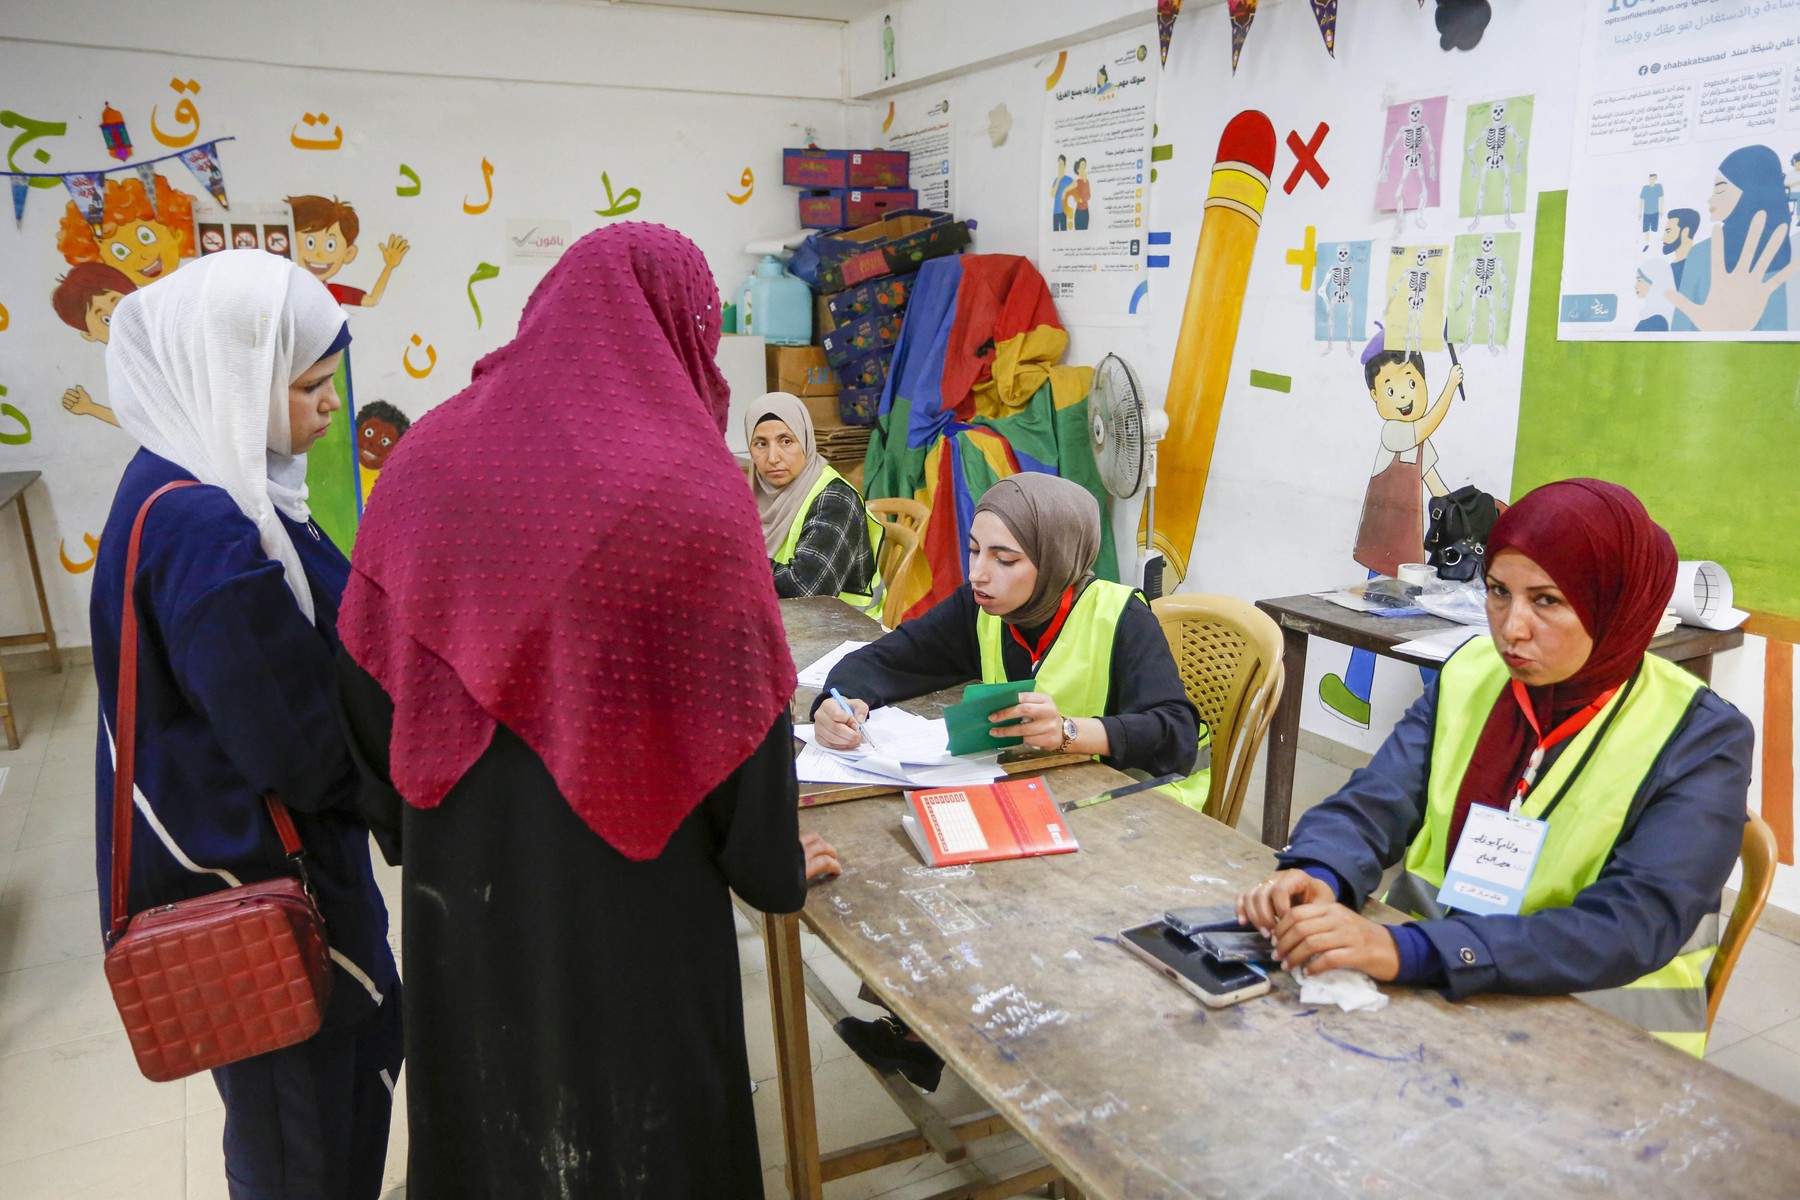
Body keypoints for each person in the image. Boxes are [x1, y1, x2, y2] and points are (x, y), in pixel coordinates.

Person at [334, 222, 840, 1198]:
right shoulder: (695, 490)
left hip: (464, 885)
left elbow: (363, 666)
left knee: (490, 1109)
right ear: (677, 333)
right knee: (649, 1126)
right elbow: (746, 707)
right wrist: (771, 866)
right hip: (643, 904)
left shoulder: (425, 461)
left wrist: (414, 827)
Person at [1238, 479, 1750, 1058]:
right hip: (1433, 994)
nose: (1511, 628)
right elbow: (1374, 802)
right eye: (1499, 591)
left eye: (1548, 600)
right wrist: (1319, 871)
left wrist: (1409, 951)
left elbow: (1633, 924)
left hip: (1597, 1034)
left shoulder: (1701, 737)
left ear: (1617, 603)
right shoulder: (1472, 671)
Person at [91, 249, 401, 1198]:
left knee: (311, 1112)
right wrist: (413, 792)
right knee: (302, 1136)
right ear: (232, 377)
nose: (327, 408)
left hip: (258, 866)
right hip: (268, 881)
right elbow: (297, 746)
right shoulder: (208, 532)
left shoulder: (197, 484)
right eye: (306, 385)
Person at [821, 472, 1205, 1087]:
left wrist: (1074, 731)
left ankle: (960, 1031)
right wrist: (838, 700)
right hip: (1035, 794)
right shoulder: (985, 609)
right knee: (925, 844)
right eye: (974, 550)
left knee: (967, 865)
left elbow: (1174, 732)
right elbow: (888, 659)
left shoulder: (1119, 616)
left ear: (1056, 558)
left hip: (1128, 808)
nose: (979, 573)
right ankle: (924, 1027)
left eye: (1005, 558)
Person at [748, 391, 878, 604]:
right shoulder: (750, 496)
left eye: (786, 441)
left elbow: (807, 588)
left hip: (845, 630)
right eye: (761, 444)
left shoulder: (836, 499)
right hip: (781, 621)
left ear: (806, 442)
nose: (772, 458)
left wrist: (737, 565)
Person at [1670, 144, 1796, 332]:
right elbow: (1679, 330)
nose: (1710, 199)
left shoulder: (1772, 254)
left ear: (1751, 191)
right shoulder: (1701, 253)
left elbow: (1776, 332)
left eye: (1720, 189)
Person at [1632, 256, 1676, 332]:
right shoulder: (1652, 315)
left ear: (1655, 282)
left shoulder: (1656, 320)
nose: (1635, 286)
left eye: (1639, 280)